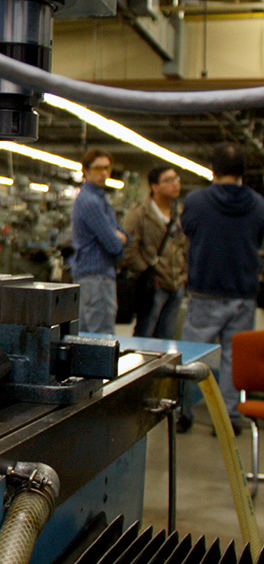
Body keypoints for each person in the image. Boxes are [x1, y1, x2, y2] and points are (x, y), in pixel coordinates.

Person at [178, 143, 264, 435]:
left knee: (192, 356)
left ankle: (183, 412)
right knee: (232, 359)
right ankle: (227, 419)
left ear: (212, 169)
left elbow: (187, 230)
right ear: (243, 171)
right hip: (243, 292)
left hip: (205, 290)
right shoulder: (259, 204)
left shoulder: (196, 201)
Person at [121, 165, 187, 339]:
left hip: (176, 285)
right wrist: (146, 273)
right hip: (153, 287)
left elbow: (186, 246)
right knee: (145, 335)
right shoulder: (140, 214)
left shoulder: (180, 213)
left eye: (176, 179)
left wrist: (183, 276)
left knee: (167, 336)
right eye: (168, 180)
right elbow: (129, 247)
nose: (175, 184)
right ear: (155, 187)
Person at [71, 148, 128, 335]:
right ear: (86, 171)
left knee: (89, 335)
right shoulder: (91, 202)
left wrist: (119, 237)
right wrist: (119, 239)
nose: (104, 173)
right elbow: (114, 243)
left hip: (95, 277)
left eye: (107, 168)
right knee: (101, 337)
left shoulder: (99, 198)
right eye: (97, 168)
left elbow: (121, 234)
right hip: (97, 279)